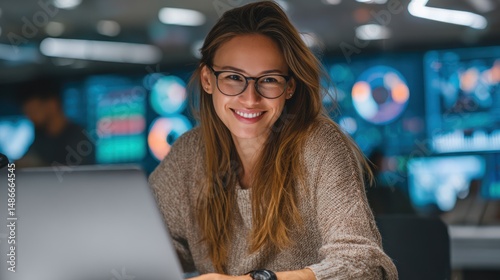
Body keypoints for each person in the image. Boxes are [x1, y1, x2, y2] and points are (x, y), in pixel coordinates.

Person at [149, 1, 398, 279]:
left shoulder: (318, 146)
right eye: (233, 77)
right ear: (208, 80)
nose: (250, 98)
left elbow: (365, 266)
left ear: (289, 87)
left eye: (268, 80)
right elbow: (149, 247)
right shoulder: (189, 153)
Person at [16, 78, 95, 167]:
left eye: (34, 111)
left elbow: (76, 174)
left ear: (52, 105)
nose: (30, 117)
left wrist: (37, 165)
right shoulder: (41, 137)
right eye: (27, 113)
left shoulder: (79, 137)